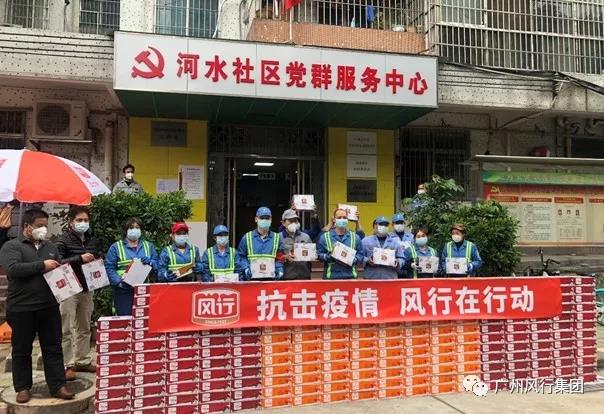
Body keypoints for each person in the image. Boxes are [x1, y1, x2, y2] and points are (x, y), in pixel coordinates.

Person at [0, 208, 74, 403]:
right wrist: (42, 265)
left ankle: (58, 385)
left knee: (53, 347)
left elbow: (58, 269)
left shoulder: (50, 247)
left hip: (48, 306)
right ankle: (23, 387)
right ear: (26, 226)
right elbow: (13, 269)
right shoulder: (11, 246)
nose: (43, 229)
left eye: (45, 226)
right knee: (21, 349)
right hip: (21, 307)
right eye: (39, 225)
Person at [55, 206, 101, 381]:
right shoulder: (63, 240)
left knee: (84, 326)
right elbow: (57, 262)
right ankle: (67, 364)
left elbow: (96, 256)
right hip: (68, 288)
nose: (83, 223)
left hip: (87, 288)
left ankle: (82, 360)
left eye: (86, 220)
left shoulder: (92, 240)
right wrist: (79, 258)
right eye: (79, 220)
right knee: (66, 328)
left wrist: (98, 261)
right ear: (71, 222)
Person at [105, 218, 157, 315]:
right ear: (126, 230)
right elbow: (109, 267)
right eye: (131, 227)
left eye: (137, 227)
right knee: (125, 318)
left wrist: (151, 262)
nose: (134, 230)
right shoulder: (116, 247)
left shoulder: (149, 246)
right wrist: (119, 283)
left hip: (142, 289)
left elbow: (157, 264)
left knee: (142, 318)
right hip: (123, 290)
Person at [238, 207, 285, 280]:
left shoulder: (277, 238)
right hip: (252, 279)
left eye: (267, 218)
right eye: (262, 218)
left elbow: (280, 257)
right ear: (256, 219)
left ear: (271, 220)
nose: (264, 220)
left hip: (270, 280)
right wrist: (246, 268)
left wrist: (279, 269)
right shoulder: (247, 238)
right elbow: (241, 257)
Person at [317, 208, 363, 279]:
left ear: (347, 220)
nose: (342, 219)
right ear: (334, 219)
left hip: (350, 277)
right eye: (339, 217)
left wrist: (353, 259)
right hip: (331, 277)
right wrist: (329, 257)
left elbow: (360, 255)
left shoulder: (355, 237)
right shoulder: (325, 237)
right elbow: (319, 255)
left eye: (344, 218)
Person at [281, 209, 313, 280]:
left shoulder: (306, 237)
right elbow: (275, 257)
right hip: (286, 277)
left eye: (295, 220)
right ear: (283, 223)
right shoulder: (278, 238)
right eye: (290, 221)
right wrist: (285, 257)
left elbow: (312, 255)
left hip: (304, 276)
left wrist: (313, 254)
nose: (293, 223)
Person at [391, 213, 414, 278]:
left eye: (401, 223)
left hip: (409, 267)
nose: (399, 225)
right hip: (395, 268)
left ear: (404, 224)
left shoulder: (411, 237)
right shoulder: (389, 237)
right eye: (397, 223)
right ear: (392, 224)